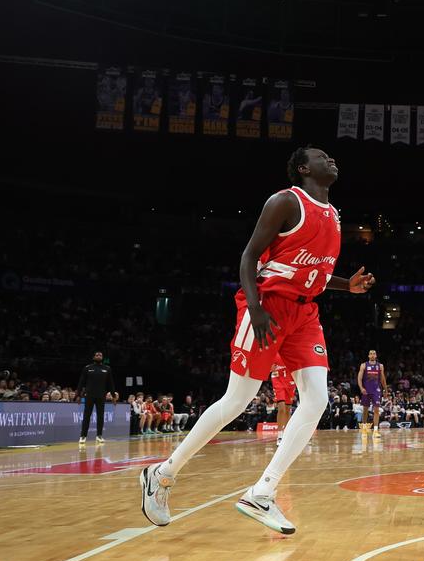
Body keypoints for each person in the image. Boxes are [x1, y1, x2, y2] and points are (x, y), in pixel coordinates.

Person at [139, 145, 375, 535]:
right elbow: (249, 257)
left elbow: (308, 272)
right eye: (321, 156)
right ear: (302, 168)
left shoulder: (333, 214)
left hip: (306, 313)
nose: (331, 159)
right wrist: (255, 307)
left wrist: (345, 285)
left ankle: (262, 492)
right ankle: (162, 475)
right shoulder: (285, 200)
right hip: (267, 305)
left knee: (317, 398)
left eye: (331, 156)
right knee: (237, 400)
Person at [77, 351, 117, 445]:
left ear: (102, 357)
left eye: (100, 355)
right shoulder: (87, 368)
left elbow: (110, 383)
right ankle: (83, 436)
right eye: (97, 355)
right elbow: (81, 382)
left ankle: (99, 436)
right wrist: (78, 395)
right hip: (89, 396)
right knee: (87, 416)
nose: (99, 356)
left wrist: (113, 396)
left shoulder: (107, 368)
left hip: (101, 396)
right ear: (94, 357)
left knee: (100, 416)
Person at [357, 350, 387, 438]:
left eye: (374, 354)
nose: (372, 355)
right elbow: (359, 378)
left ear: (376, 355)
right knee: (365, 410)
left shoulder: (380, 366)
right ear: (368, 356)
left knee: (376, 410)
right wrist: (361, 388)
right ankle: (365, 428)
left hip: (376, 390)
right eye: (371, 354)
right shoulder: (363, 365)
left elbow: (383, 379)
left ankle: (376, 430)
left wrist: (385, 389)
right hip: (366, 390)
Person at [270, 363, 296, 444]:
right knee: (281, 408)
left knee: (288, 409)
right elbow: (267, 365)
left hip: (290, 379)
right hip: (277, 379)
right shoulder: (274, 352)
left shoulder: (291, 352)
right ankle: (280, 435)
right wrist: (269, 368)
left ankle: (286, 433)